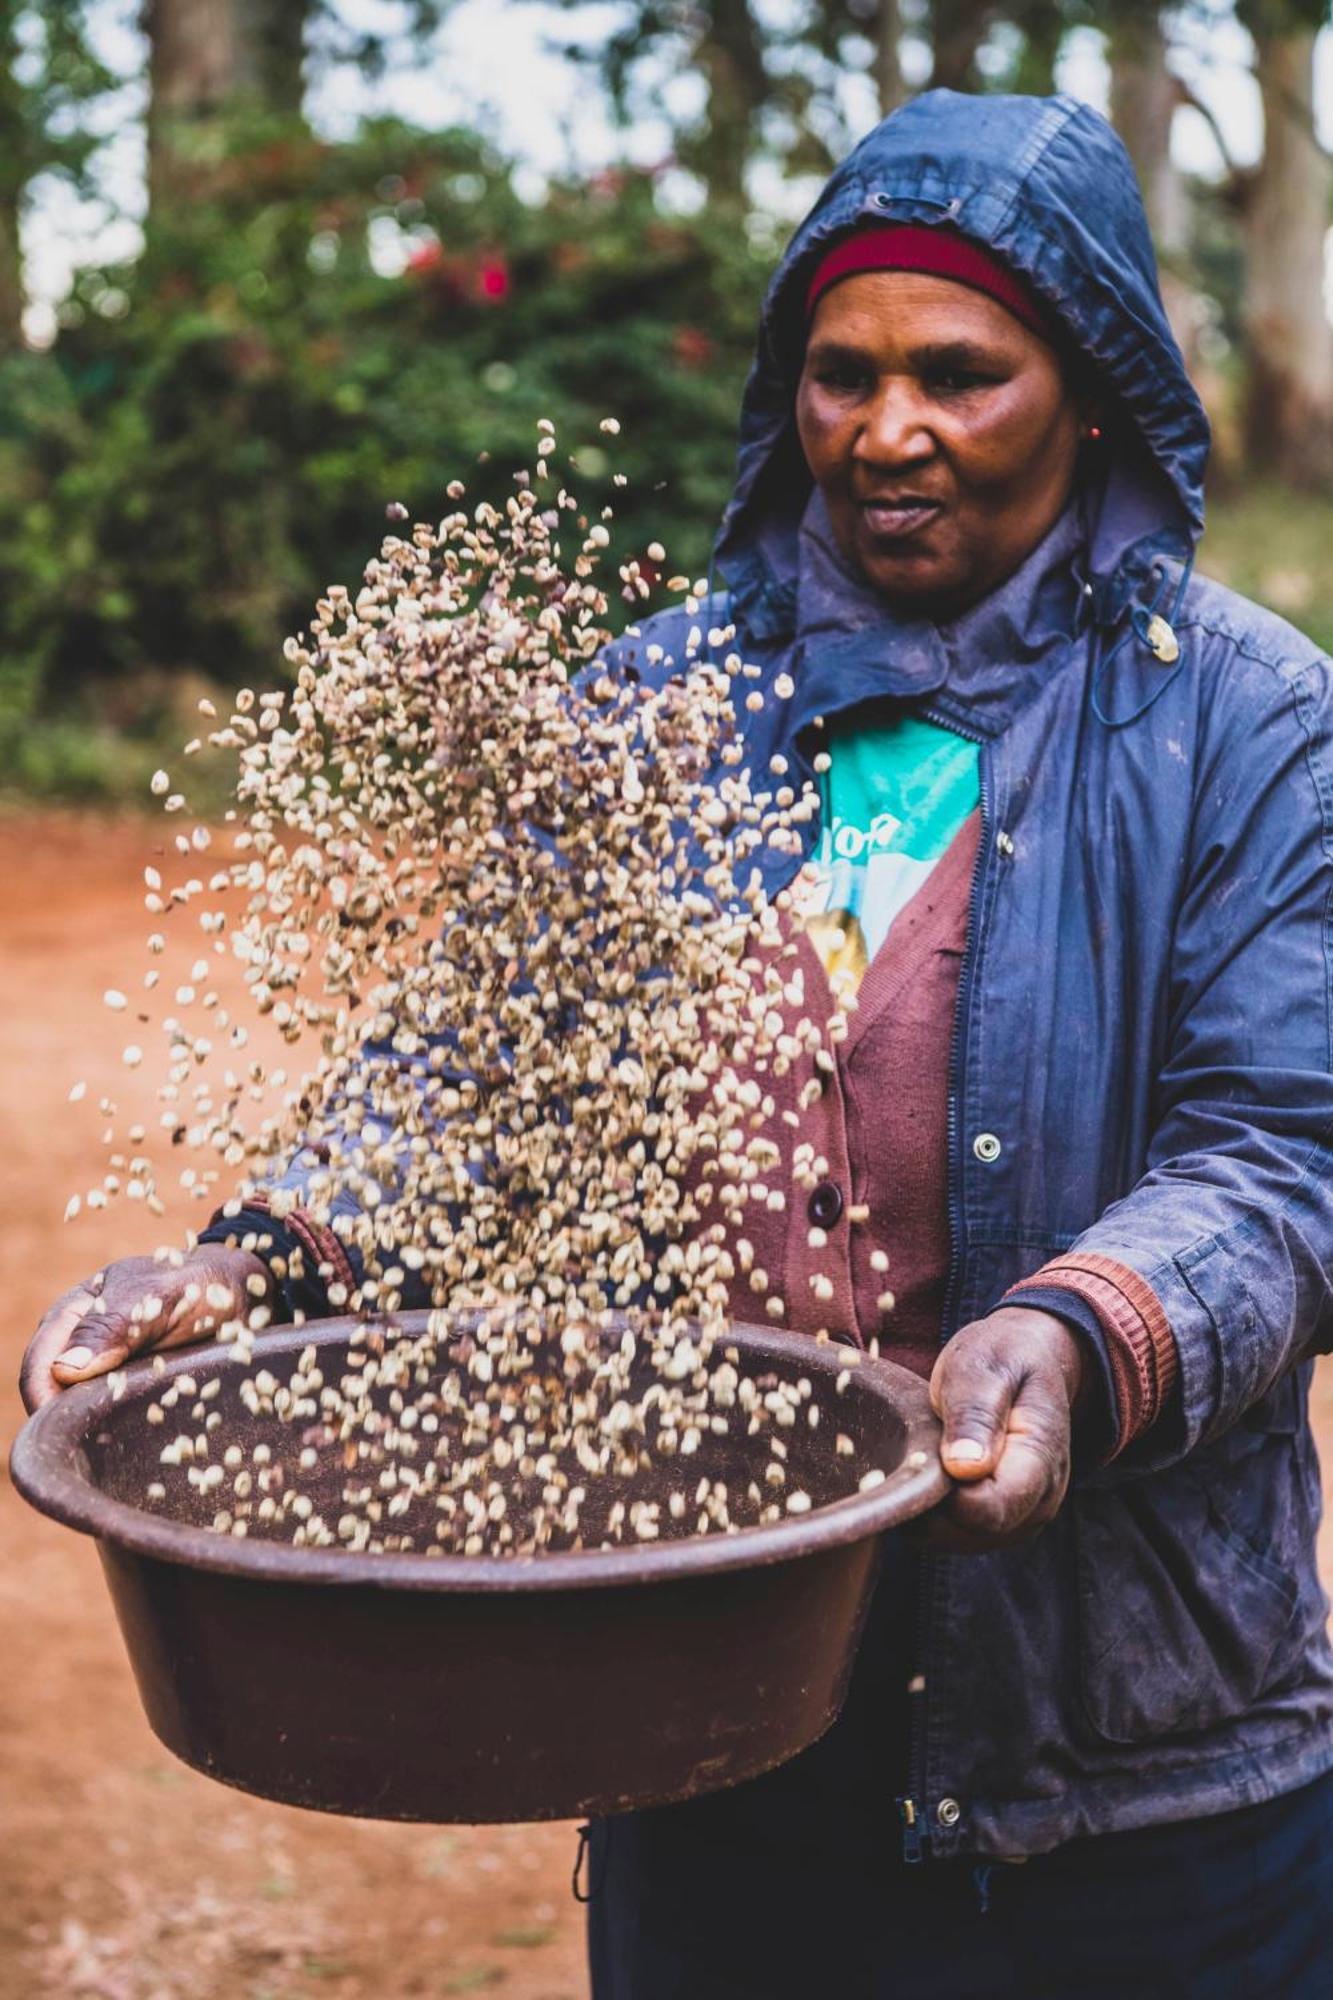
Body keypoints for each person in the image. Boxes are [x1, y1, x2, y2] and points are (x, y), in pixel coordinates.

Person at [23, 88, 1333, 1998]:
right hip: (711, 1722)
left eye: (960, 373)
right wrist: (266, 1254)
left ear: (1090, 387)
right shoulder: (658, 709)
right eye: (839, 373)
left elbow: (1283, 1158)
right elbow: (473, 1078)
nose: (887, 429)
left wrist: (1080, 1336)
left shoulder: (1240, 724)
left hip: (1133, 1778)